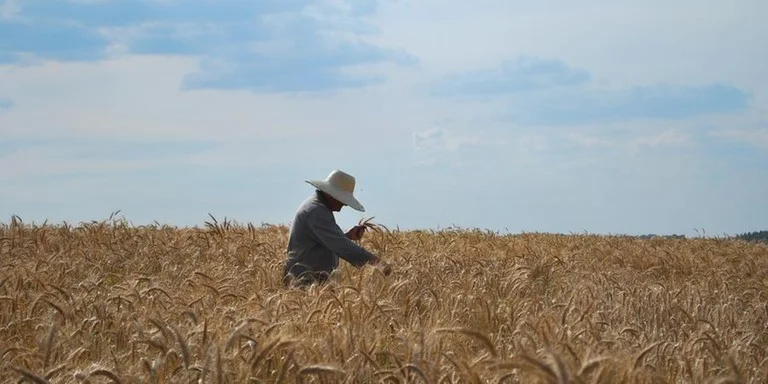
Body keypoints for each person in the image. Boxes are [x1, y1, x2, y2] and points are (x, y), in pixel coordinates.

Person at [283, 169, 392, 288]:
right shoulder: (316, 211)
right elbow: (342, 247)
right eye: (343, 199)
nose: (345, 204)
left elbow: (323, 243)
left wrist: (347, 236)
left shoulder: (317, 207)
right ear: (331, 195)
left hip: (311, 284)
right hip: (304, 284)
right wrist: (377, 263)